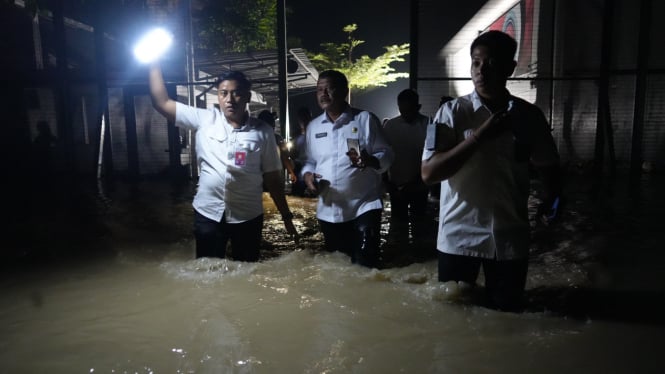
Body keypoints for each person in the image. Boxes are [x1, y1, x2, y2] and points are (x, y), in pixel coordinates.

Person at [421, 30, 562, 312]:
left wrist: (553, 198)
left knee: (508, 316)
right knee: (453, 318)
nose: (481, 70)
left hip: (510, 237)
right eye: (476, 62)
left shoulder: (529, 116)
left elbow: (548, 164)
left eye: (491, 63)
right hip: (459, 237)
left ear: (510, 67)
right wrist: (478, 137)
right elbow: (429, 173)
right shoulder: (450, 113)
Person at [148, 64, 298, 261]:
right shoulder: (204, 119)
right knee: (207, 272)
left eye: (236, 93)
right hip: (209, 214)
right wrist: (153, 63)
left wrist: (286, 216)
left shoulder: (263, 132)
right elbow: (162, 103)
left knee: (246, 273)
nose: (229, 99)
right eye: (223, 93)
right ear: (218, 96)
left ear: (247, 96)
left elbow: (272, 176)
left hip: (248, 216)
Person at [302, 70, 394, 268]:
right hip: (329, 209)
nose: (323, 94)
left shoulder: (365, 120)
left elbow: (387, 154)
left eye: (329, 89)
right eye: (319, 90)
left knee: (364, 266)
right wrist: (308, 175)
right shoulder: (314, 127)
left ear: (344, 91)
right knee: (338, 268)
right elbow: (309, 161)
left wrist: (372, 161)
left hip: (364, 205)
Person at [383, 89, 431, 222]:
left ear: (418, 107)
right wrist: (386, 182)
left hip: (420, 185)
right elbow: (383, 154)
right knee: (398, 224)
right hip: (396, 186)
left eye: (409, 110)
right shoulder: (390, 126)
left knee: (420, 224)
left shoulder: (428, 125)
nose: (406, 114)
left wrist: (417, 182)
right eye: (402, 110)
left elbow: (432, 156)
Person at [258, 109, 297, 185]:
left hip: (274, 177)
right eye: (272, 123)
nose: (273, 126)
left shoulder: (278, 139)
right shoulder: (256, 139)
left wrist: (291, 172)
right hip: (263, 178)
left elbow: (284, 157)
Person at [290, 106, 312, 197]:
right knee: (297, 196)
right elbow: (293, 154)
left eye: (305, 117)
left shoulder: (315, 133)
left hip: (313, 169)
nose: (303, 120)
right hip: (299, 168)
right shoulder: (296, 136)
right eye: (301, 118)